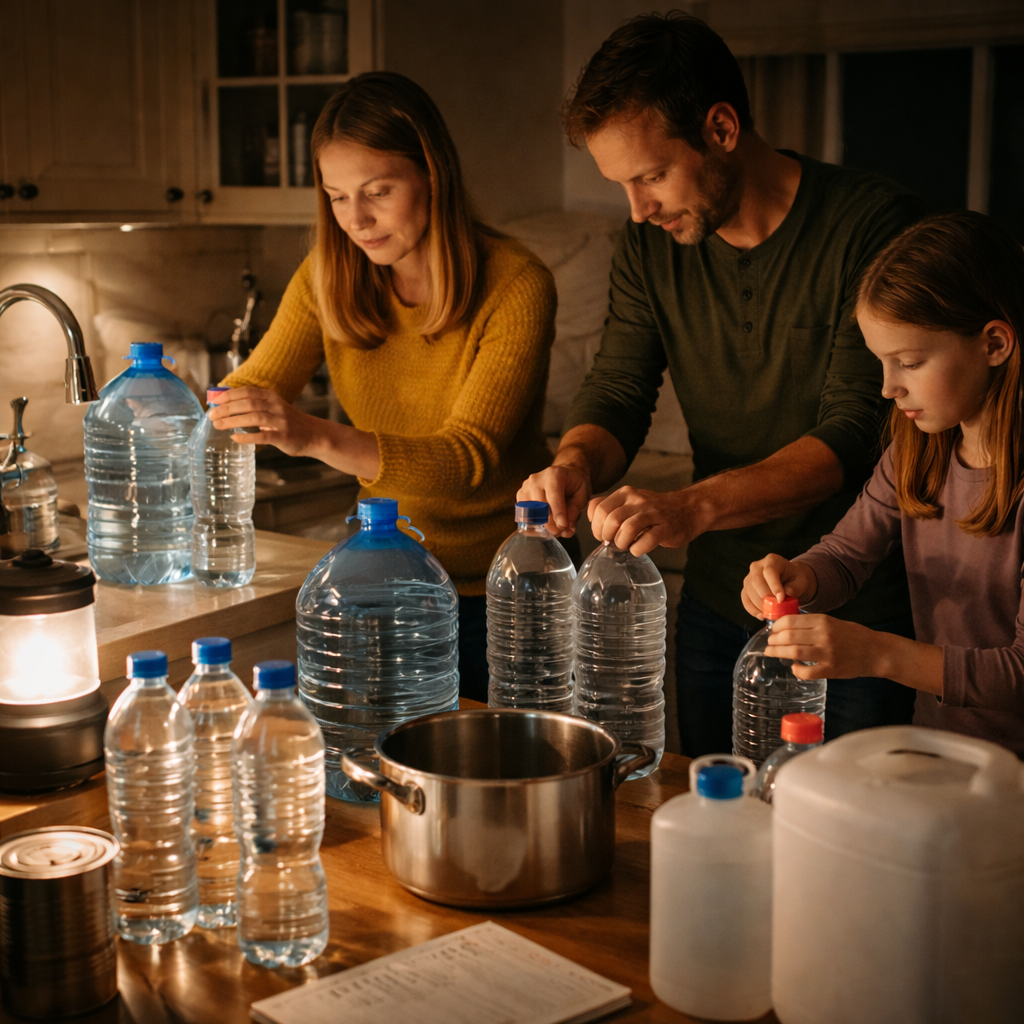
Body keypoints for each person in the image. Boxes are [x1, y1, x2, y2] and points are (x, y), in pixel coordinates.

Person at [519, 12, 925, 756]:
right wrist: (574, 462)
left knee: (842, 825)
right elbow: (619, 385)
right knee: (715, 810)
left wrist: (690, 506)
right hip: (716, 601)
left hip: (850, 609)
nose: (638, 209)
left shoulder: (872, 225)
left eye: (651, 176)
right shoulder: (650, 245)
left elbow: (851, 434)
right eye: (623, 184)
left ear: (722, 128)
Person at [213, 72, 557, 702]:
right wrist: (191, 411)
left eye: (378, 191)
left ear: (433, 173)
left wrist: (313, 435)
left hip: (509, 591)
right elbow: (250, 386)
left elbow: (465, 461)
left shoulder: (516, 284)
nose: (357, 219)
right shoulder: (327, 276)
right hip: (392, 579)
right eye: (337, 197)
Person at [742, 211, 1024, 757]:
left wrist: (878, 653)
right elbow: (847, 555)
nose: (889, 388)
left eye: (909, 362)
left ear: (994, 344)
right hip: (941, 747)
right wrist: (799, 576)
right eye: (882, 364)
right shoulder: (917, 450)